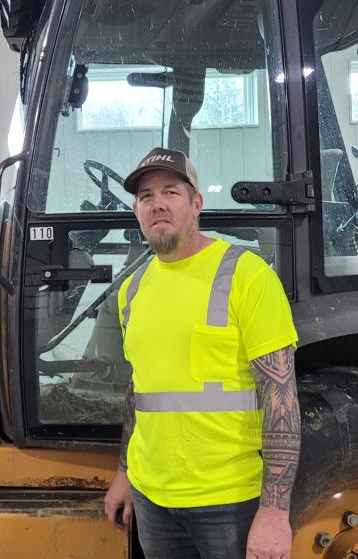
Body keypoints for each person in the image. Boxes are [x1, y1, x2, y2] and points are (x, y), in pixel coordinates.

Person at [102, 147, 300, 559]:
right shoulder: (131, 290)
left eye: (170, 192)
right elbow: (139, 389)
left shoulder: (247, 274)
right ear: (137, 212)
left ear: (196, 204)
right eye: (145, 197)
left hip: (225, 503)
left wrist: (275, 511)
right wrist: (123, 472)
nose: (157, 204)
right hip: (152, 499)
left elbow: (281, 397)